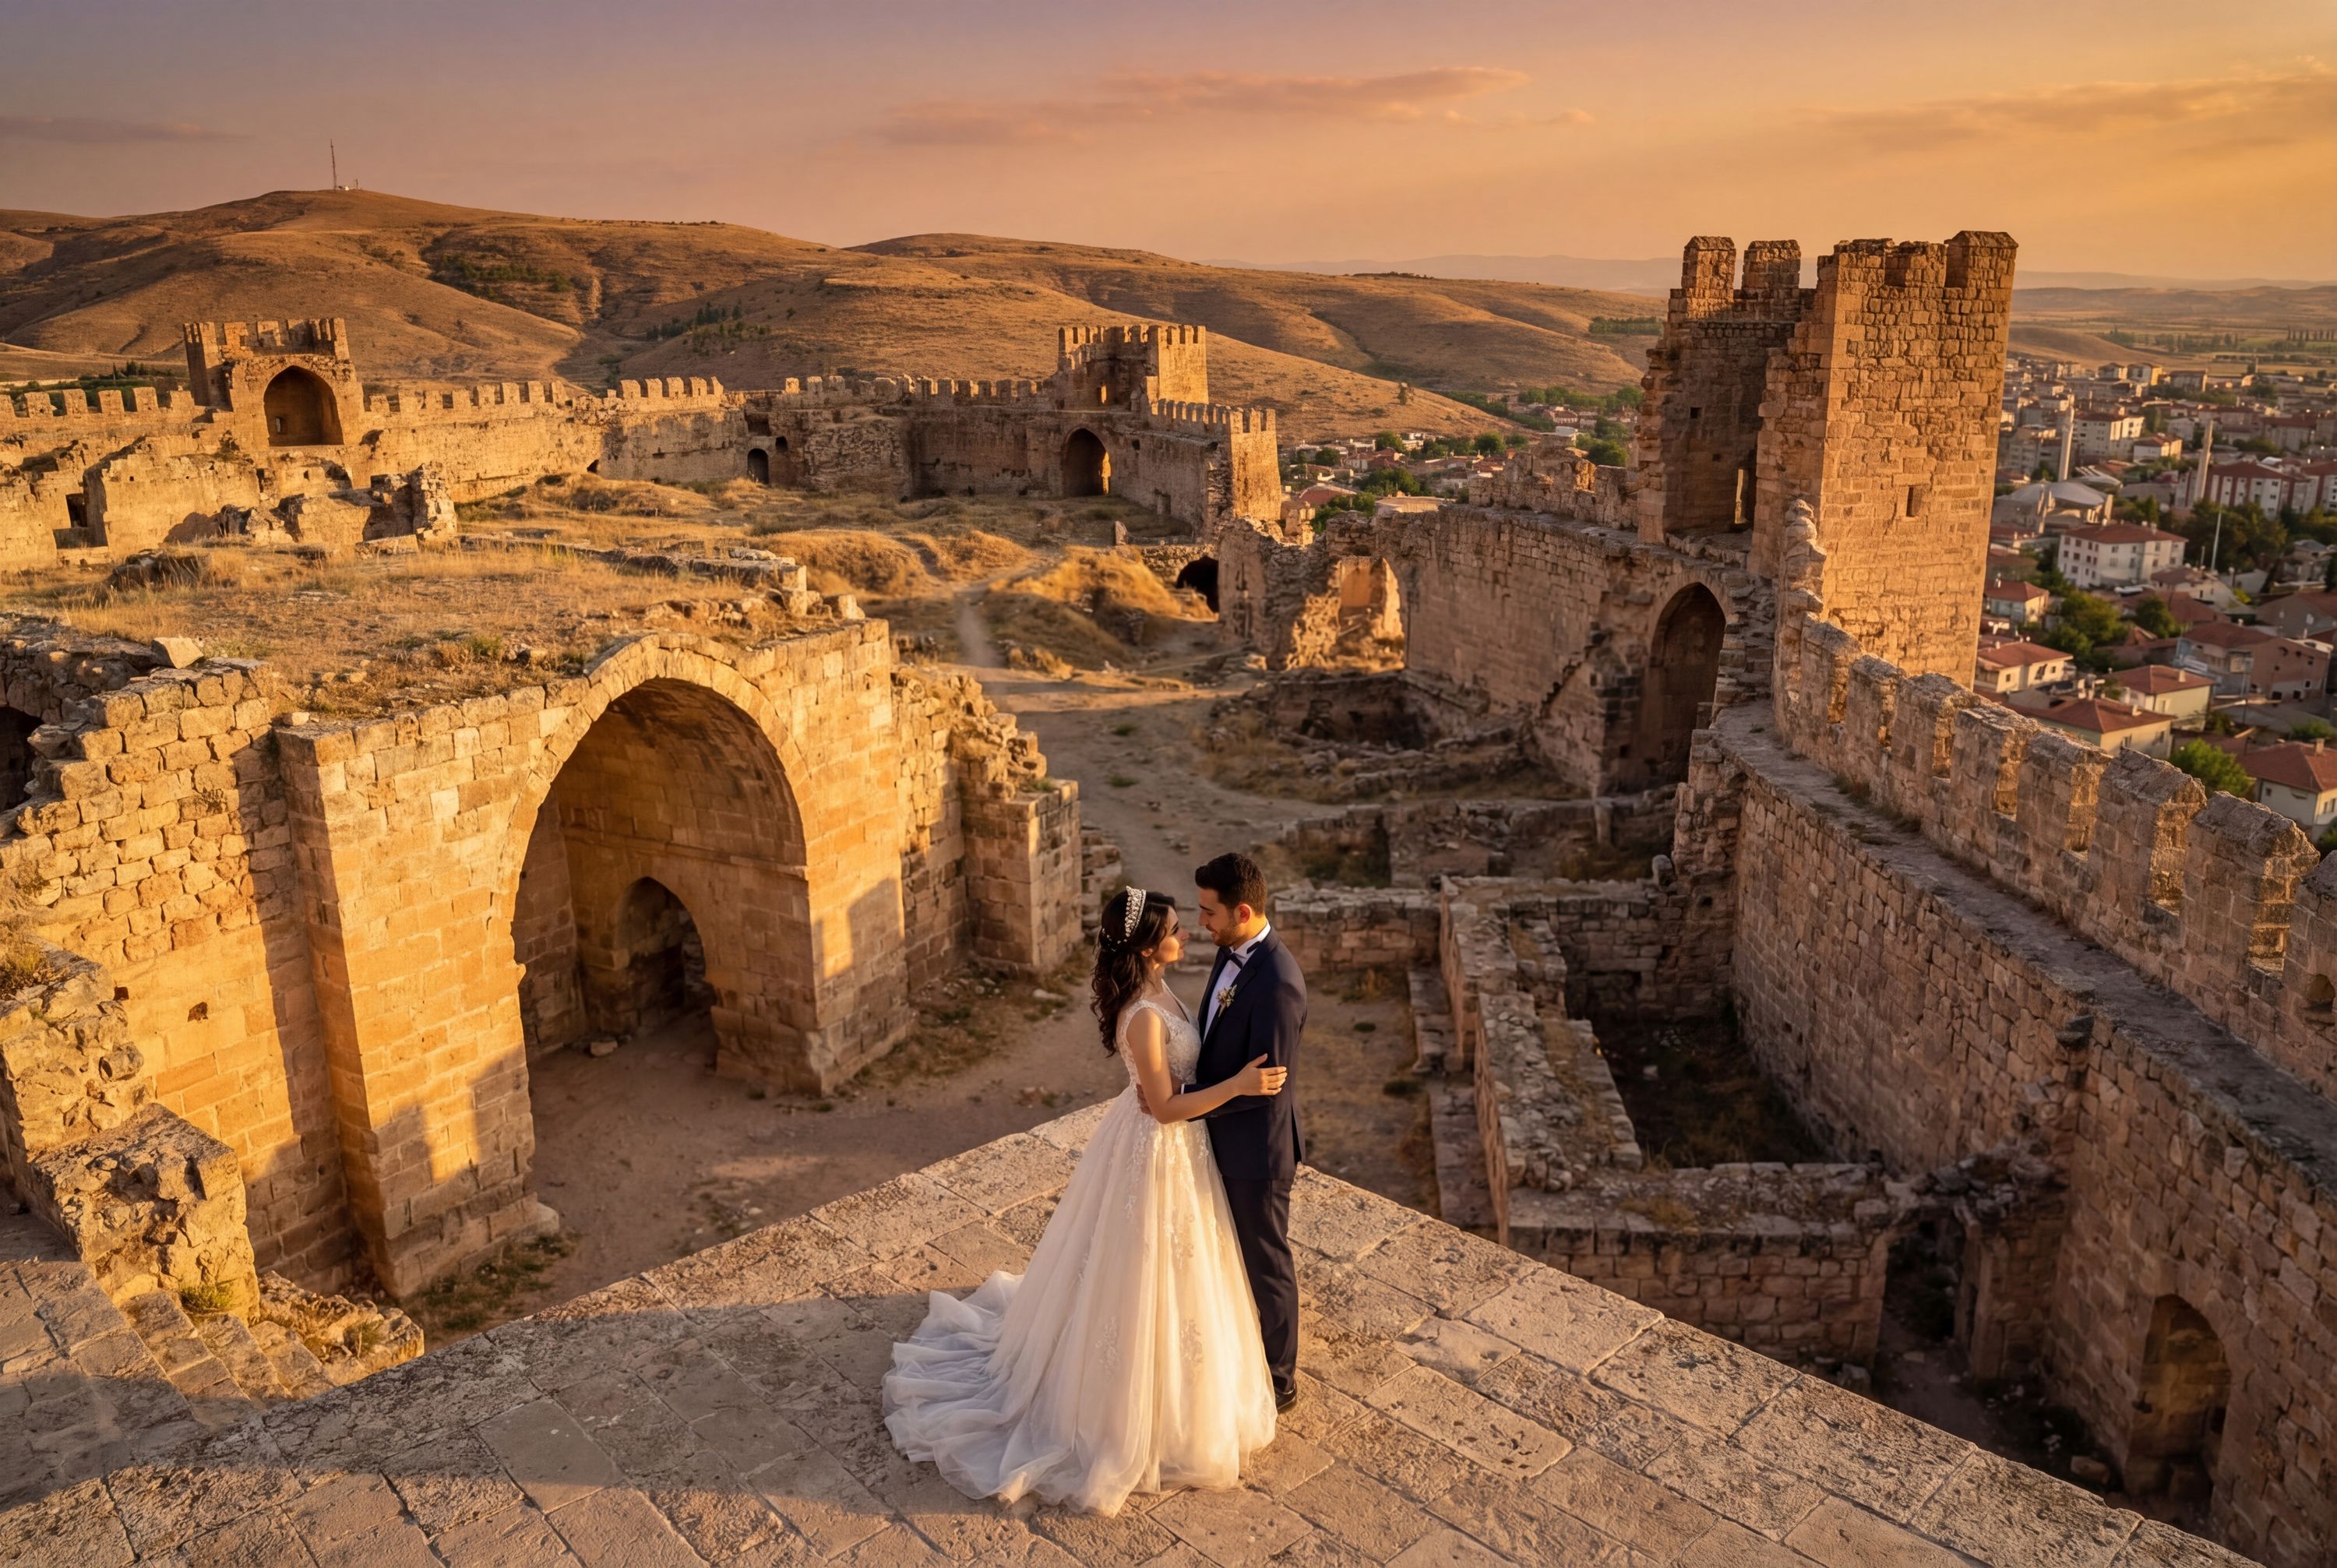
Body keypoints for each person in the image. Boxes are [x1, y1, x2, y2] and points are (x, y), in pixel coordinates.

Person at [881, 886, 1286, 1514]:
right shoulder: (1145, 1016)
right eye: (1176, 930)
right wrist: (1238, 1084)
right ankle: (1120, 1416)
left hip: (1179, 1154)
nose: (1186, 937)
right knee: (1138, 1275)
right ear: (1150, 945)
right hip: (1155, 1153)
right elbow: (1169, 1106)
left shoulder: (1161, 993)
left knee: (1183, 1275)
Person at [1149, 851, 1307, 1410]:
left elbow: (1265, 1085)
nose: (1201, 923)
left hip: (1256, 1152)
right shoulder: (1232, 952)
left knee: (1266, 1260)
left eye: (1210, 912)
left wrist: (1186, 1104)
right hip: (1218, 1138)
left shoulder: (1279, 983)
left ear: (1243, 910)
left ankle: (1280, 1379)